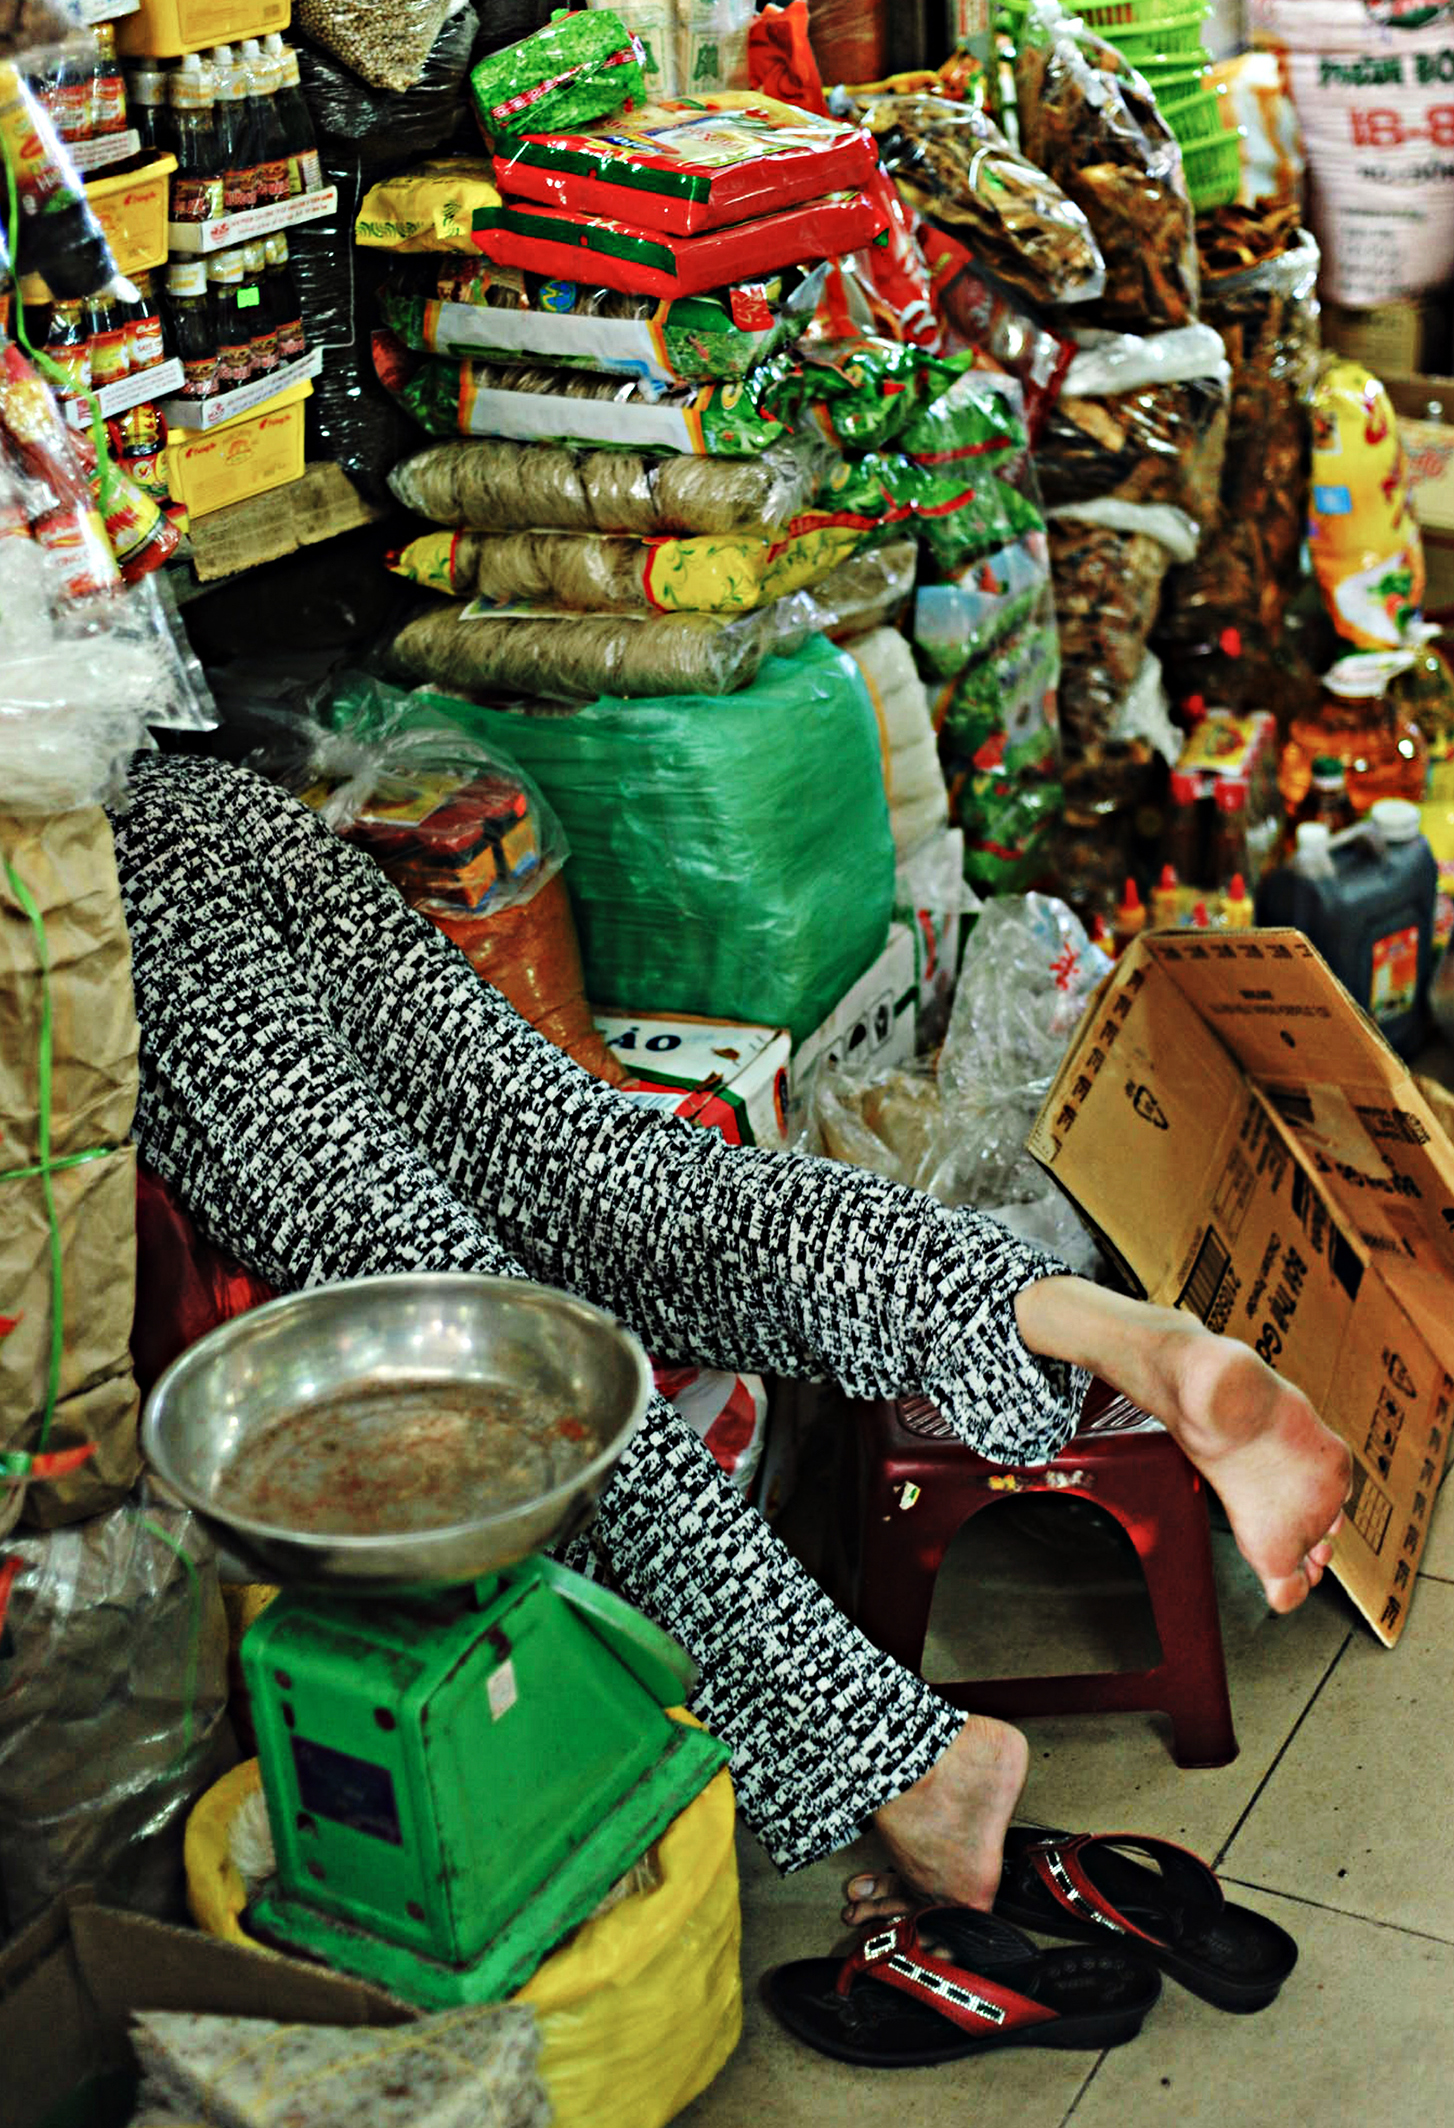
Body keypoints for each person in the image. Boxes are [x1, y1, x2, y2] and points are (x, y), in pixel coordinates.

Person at [109, 750, 1350, 1914]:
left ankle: (904, 1761)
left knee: (462, 1319)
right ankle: (1101, 1327)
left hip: (60, 885)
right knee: (595, 1166)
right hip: (189, 802)